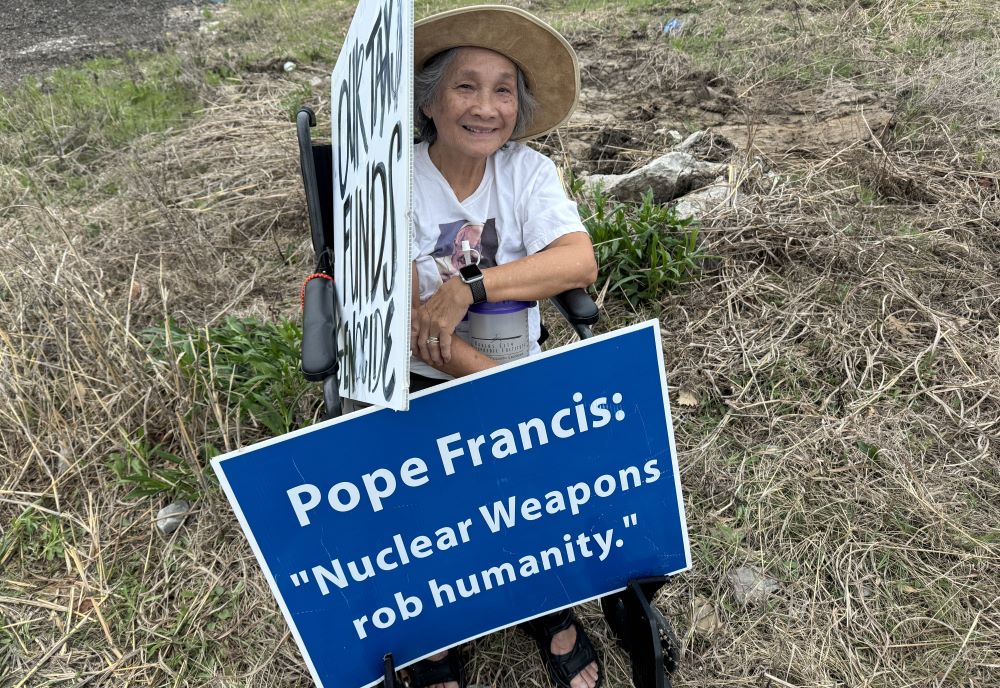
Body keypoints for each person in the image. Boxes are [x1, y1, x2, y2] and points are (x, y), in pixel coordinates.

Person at [406, 6, 602, 688]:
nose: (486, 107)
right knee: (429, 513)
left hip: (511, 360)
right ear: (430, 100)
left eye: (503, 90)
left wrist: (471, 284)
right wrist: (506, 396)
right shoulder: (393, 182)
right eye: (466, 86)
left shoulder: (527, 173)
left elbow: (578, 263)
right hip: (424, 377)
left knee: (531, 500)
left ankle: (542, 603)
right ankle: (436, 629)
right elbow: (410, 325)